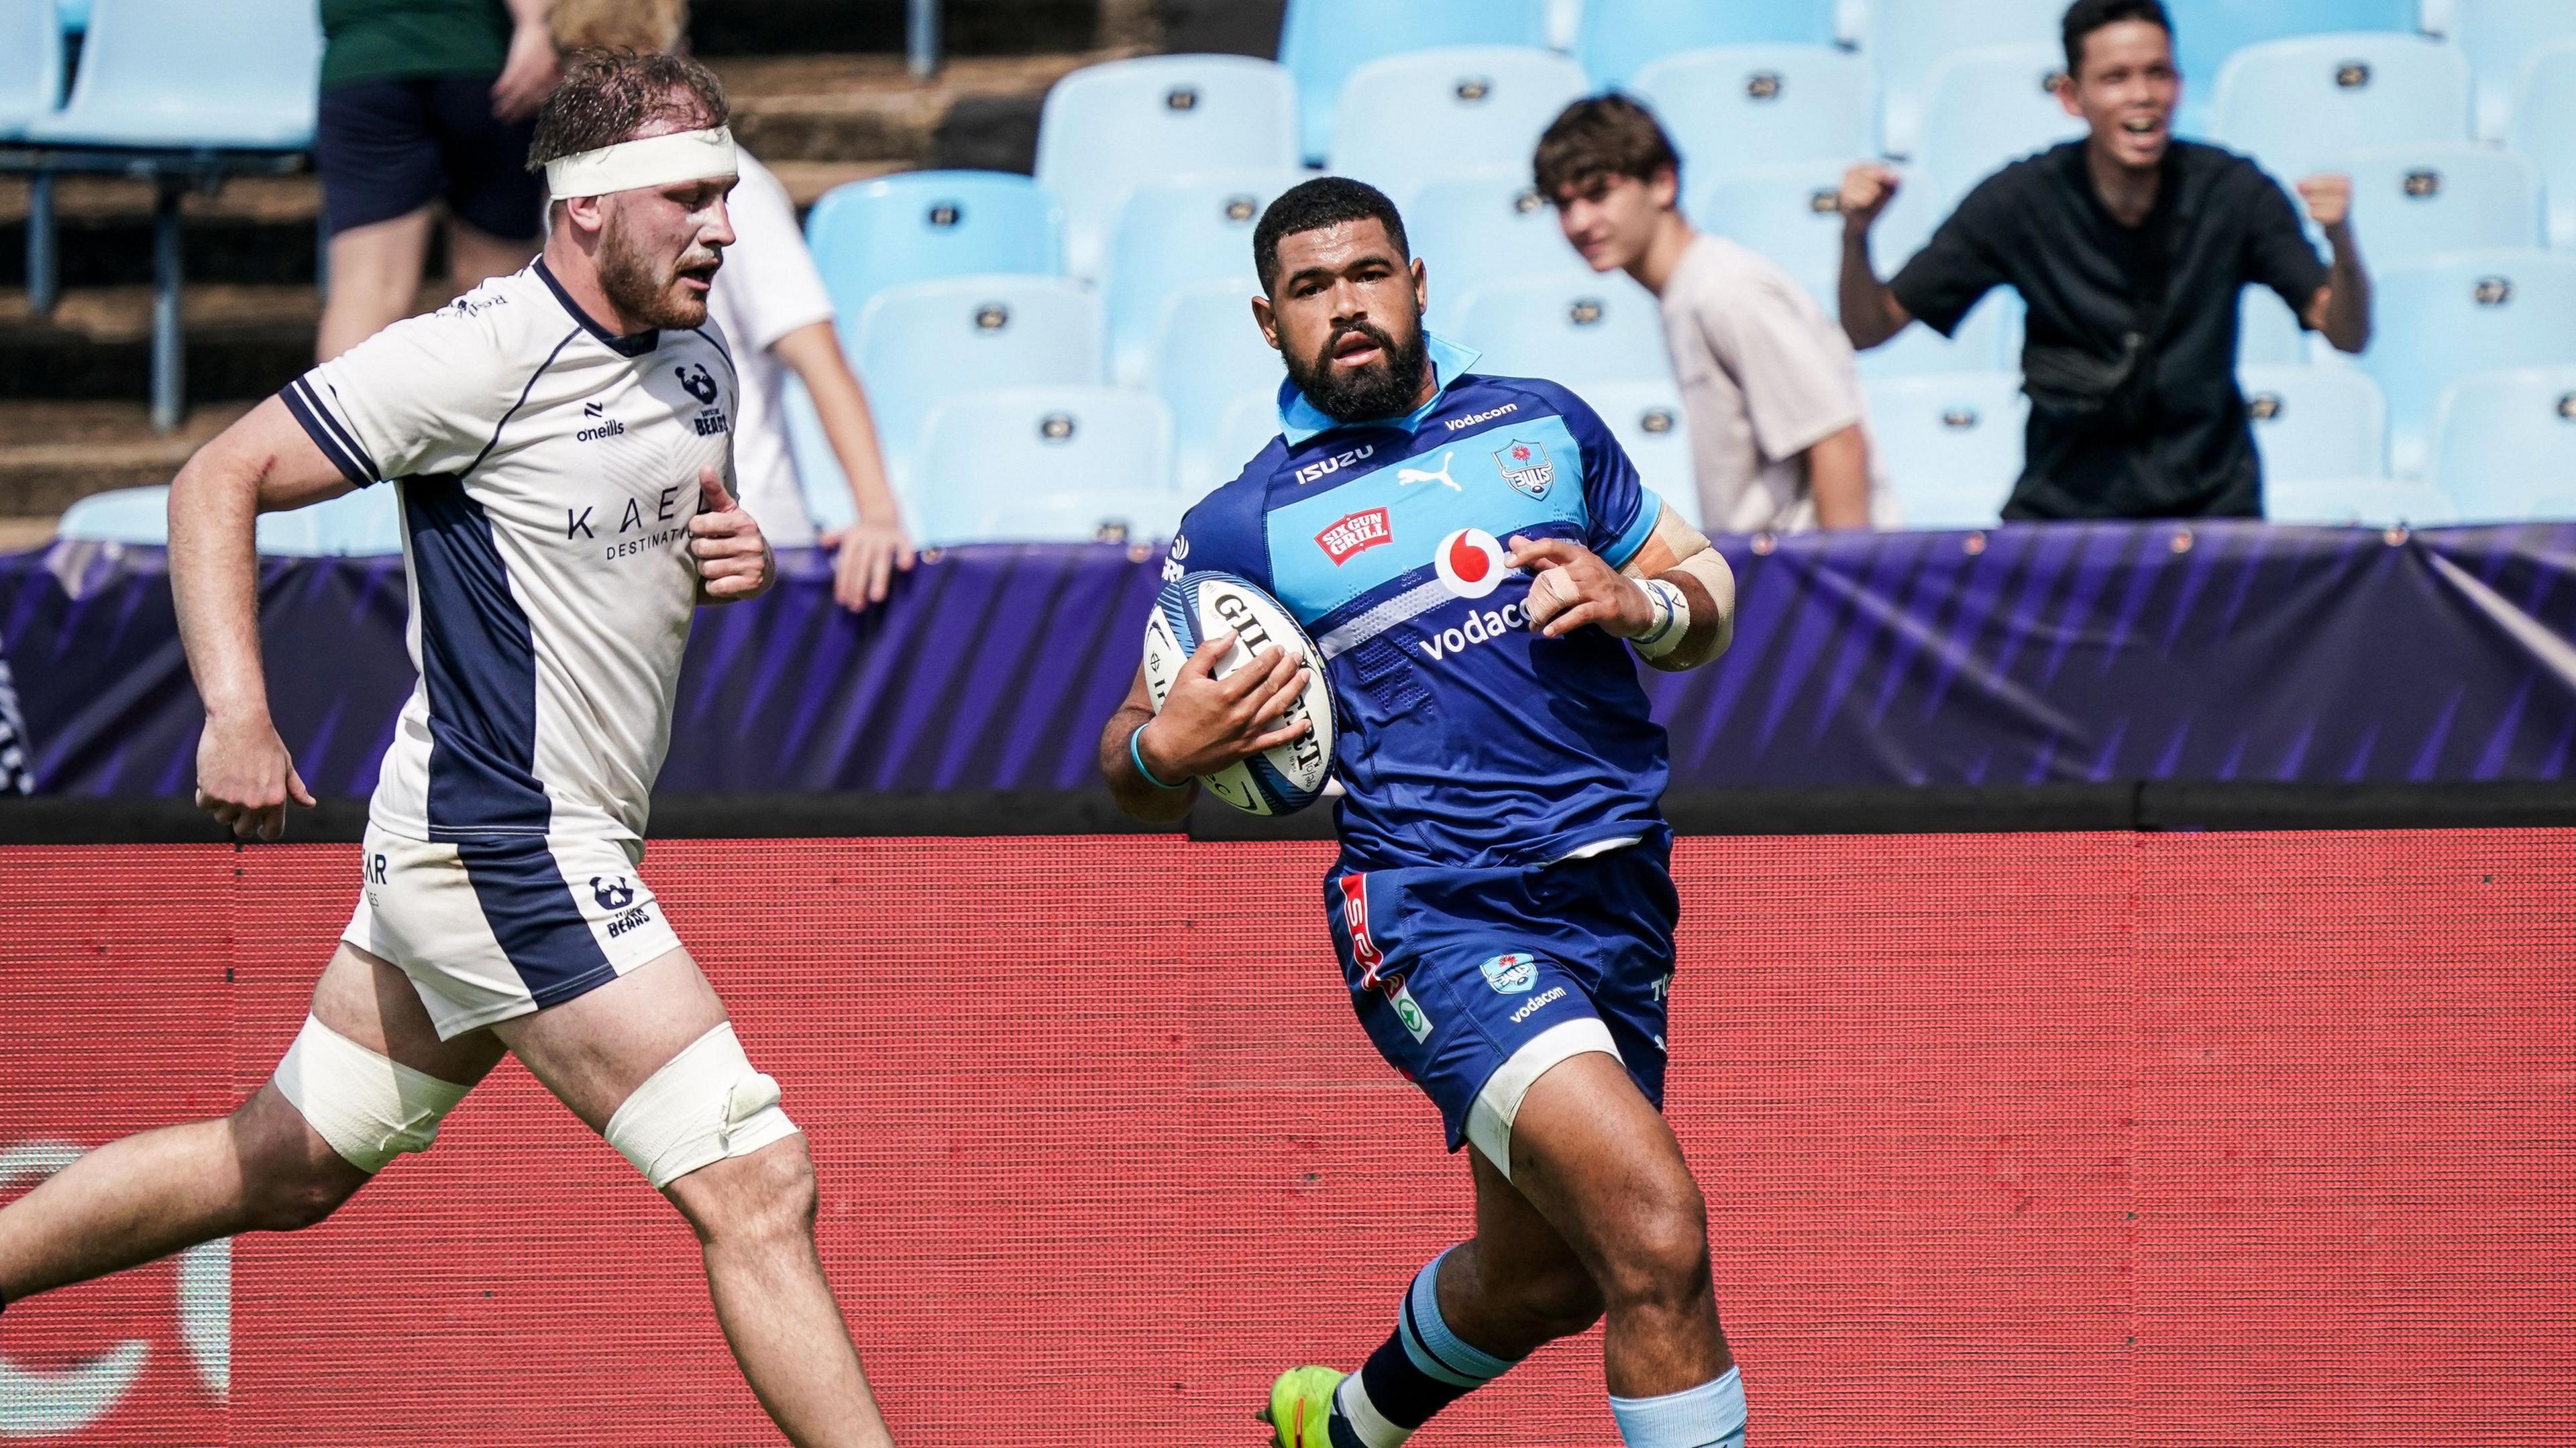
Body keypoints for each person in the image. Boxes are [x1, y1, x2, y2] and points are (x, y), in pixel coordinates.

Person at [0, 51, 898, 1448]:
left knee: (285, 1163)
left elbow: (642, 532)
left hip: (497, 841)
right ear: (588, 207)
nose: (726, 227)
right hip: (504, 845)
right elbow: (214, 479)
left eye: (727, 194)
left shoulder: (697, 360)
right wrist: (238, 709)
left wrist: (731, 553)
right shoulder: (470, 353)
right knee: (758, 1181)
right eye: (692, 198)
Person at [1097, 176, 1748, 1448]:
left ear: (1418, 284)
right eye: (1309, 289)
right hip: (1437, 910)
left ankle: (1337, 1427)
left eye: (1367, 276)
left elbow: (1702, 580)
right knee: (1657, 1232)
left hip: (1618, 890)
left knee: (1545, 1278)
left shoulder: (1546, 424)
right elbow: (1125, 754)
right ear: (1266, 320)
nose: (1345, 308)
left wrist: (1642, 606)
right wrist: (1164, 750)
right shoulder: (1242, 524)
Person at [1837, 0, 2371, 520]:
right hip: (2065, 514)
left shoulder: (2234, 191)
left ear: (2180, 85)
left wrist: (2342, 242)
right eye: (2116, 78)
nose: (2143, 96)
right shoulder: (2019, 201)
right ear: (2072, 96)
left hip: (2212, 511)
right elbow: (1872, 326)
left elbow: (2344, 331)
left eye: (2158, 74)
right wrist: (1855, 235)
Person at [551, 0, 915, 609]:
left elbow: (817, 356)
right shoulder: (577, 197)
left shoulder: (732, 188)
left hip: (743, 550)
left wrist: (877, 512)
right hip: (624, 550)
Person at [1539, 95, 1886, 533]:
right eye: (1563, 204)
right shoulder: (1690, 291)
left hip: (1806, 582)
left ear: (1663, 183)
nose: (1579, 221)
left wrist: (1845, 593)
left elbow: (1836, 439)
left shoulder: (1726, 292)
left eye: (1598, 194)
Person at [313, 0, 560, 361]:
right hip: (482, 58)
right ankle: (489, 416)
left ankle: (340, 417)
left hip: (364, 64)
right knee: (493, 291)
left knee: (367, 289)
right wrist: (538, 22)